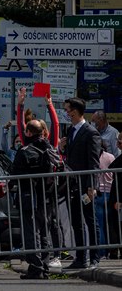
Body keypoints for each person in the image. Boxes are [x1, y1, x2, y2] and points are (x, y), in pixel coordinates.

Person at [59, 97, 101, 270]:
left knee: (90, 220)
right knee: (76, 220)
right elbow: (70, 157)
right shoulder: (71, 131)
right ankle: (80, 257)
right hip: (72, 185)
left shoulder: (91, 132)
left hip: (85, 185)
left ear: (75, 111)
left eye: (68, 110)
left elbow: (93, 162)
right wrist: (63, 147)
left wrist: (92, 186)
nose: (66, 113)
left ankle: (95, 257)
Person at [11, 120, 54, 279]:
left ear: (28, 133)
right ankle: (44, 267)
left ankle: (36, 268)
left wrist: (9, 186)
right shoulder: (49, 148)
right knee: (44, 232)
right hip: (46, 196)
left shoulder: (25, 150)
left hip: (30, 196)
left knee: (31, 233)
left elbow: (14, 174)